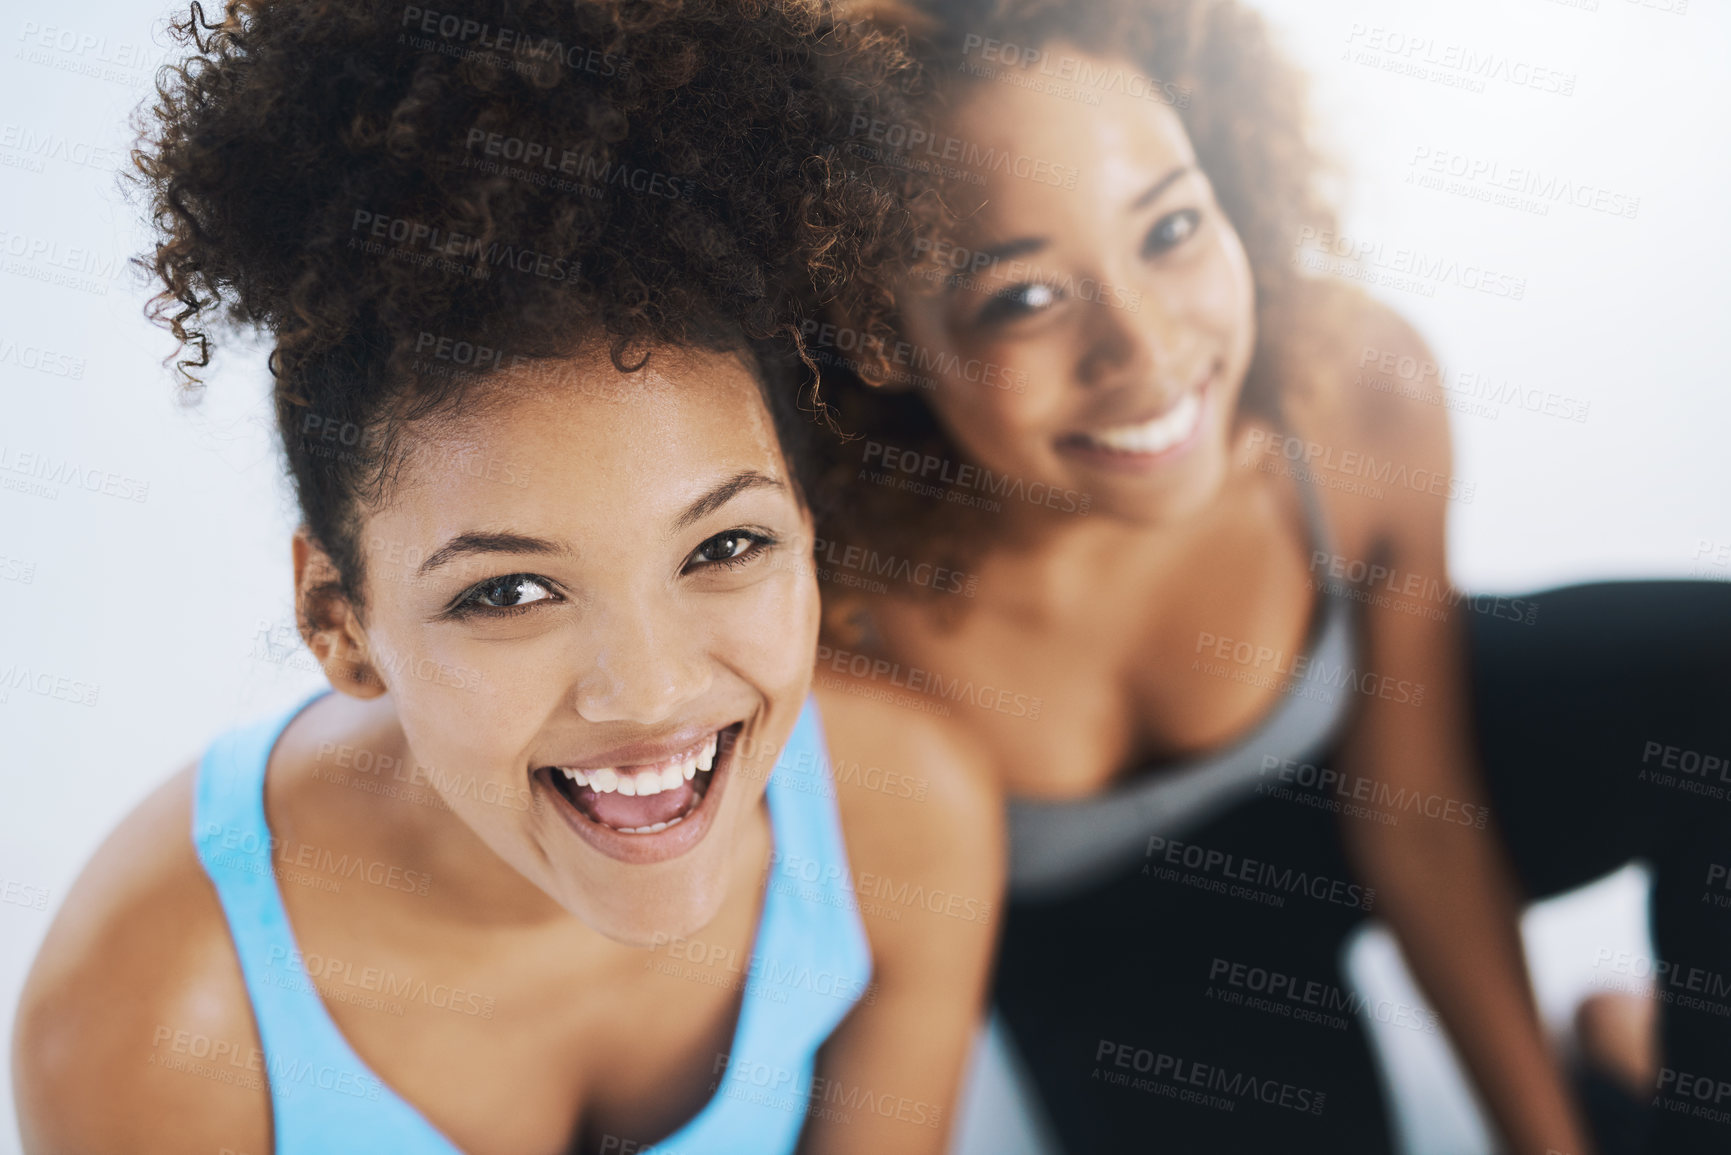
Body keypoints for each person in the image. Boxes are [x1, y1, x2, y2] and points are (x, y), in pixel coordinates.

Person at [11, 2, 1000, 1153]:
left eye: (724, 547)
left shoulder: (905, 822)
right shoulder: (154, 1011)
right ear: (339, 623)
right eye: (509, 592)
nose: (648, 692)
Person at [806, 0, 1731, 1151]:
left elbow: (1420, 826)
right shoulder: (829, 612)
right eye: (1025, 298)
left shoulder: (1350, 393)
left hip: (1368, 789)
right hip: (1126, 958)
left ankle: (1640, 1080)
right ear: (874, 329)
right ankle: (1618, 1057)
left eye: (1172, 228)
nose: (1146, 354)